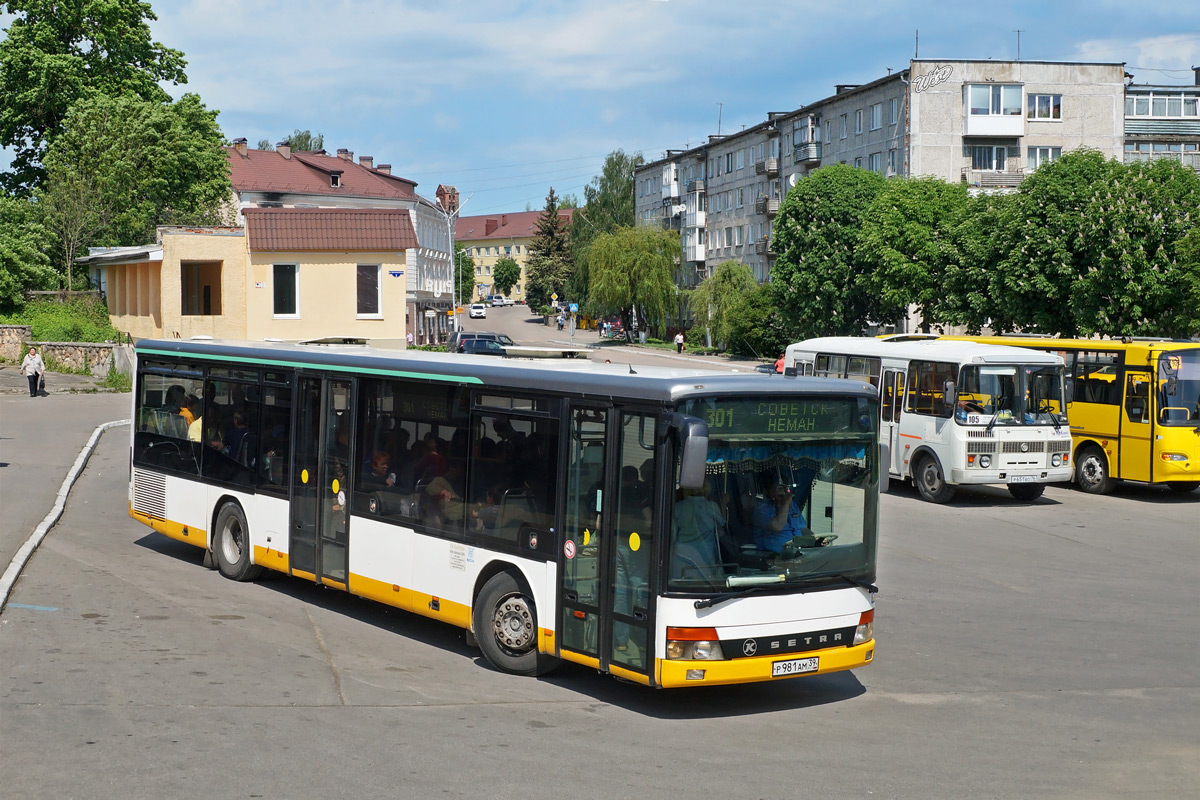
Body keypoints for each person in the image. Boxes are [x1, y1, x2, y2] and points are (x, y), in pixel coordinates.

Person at [752, 475, 808, 554]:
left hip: (796, 553)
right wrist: (786, 504)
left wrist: (816, 540)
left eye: (786, 489)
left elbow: (803, 528)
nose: (784, 492)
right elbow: (777, 526)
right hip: (773, 556)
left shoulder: (792, 506)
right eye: (780, 489)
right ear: (771, 491)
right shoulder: (762, 508)